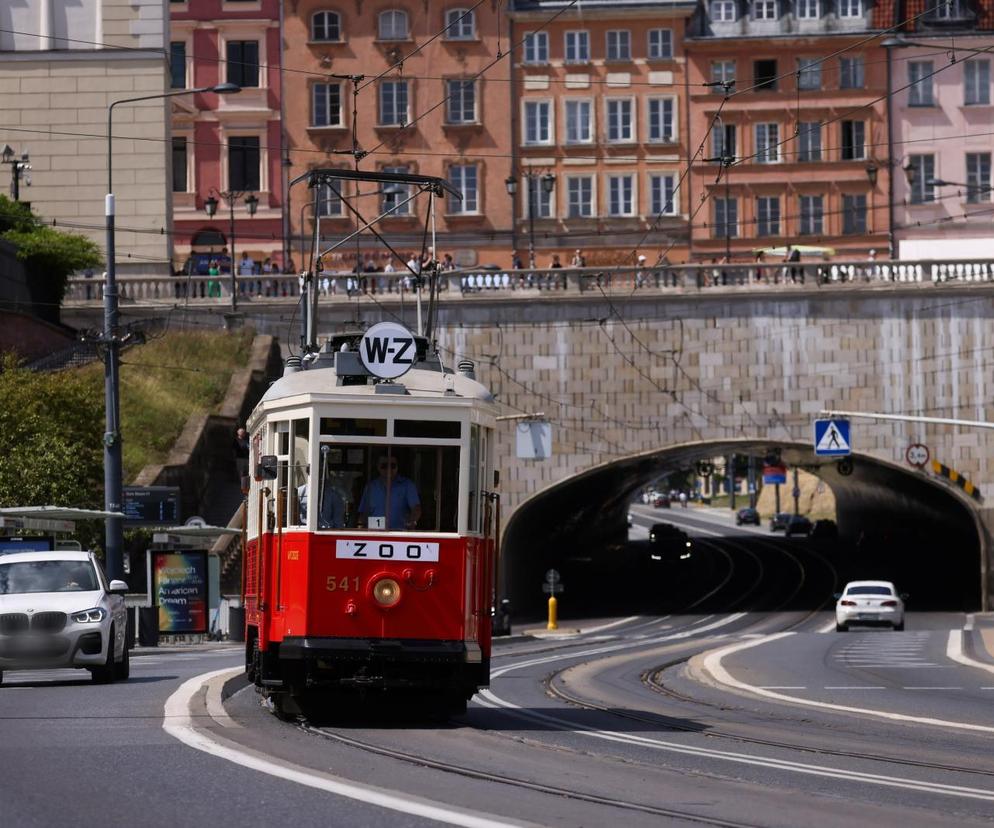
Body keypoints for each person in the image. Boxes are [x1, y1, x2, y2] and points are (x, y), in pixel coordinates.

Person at [358, 455, 421, 530]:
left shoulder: (407, 485)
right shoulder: (370, 487)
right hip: (374, 535)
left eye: (392, 466)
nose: (389, 469)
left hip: (399, 536)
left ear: (397, 467)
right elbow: (363, 513)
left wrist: (411, 523)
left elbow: (416, 509)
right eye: (384, 466)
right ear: (378, 467)